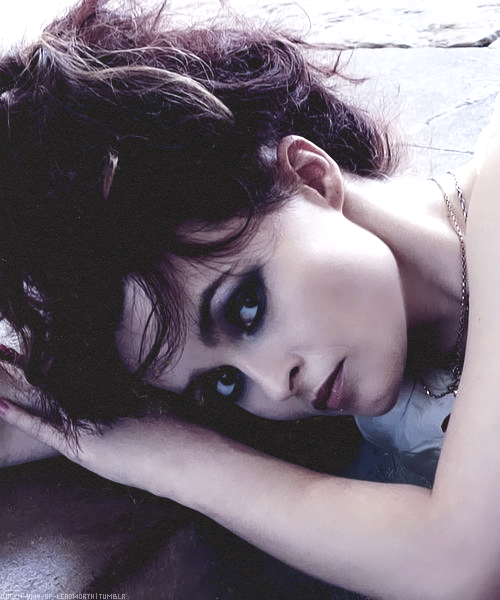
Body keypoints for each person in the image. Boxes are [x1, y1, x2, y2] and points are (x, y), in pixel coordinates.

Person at [1, 1, 500, 598]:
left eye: (246, 308)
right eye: (223, 383)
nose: (273, 386)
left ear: (310, 176)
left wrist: (166, 458)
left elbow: (460, 564)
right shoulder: (369, 371)